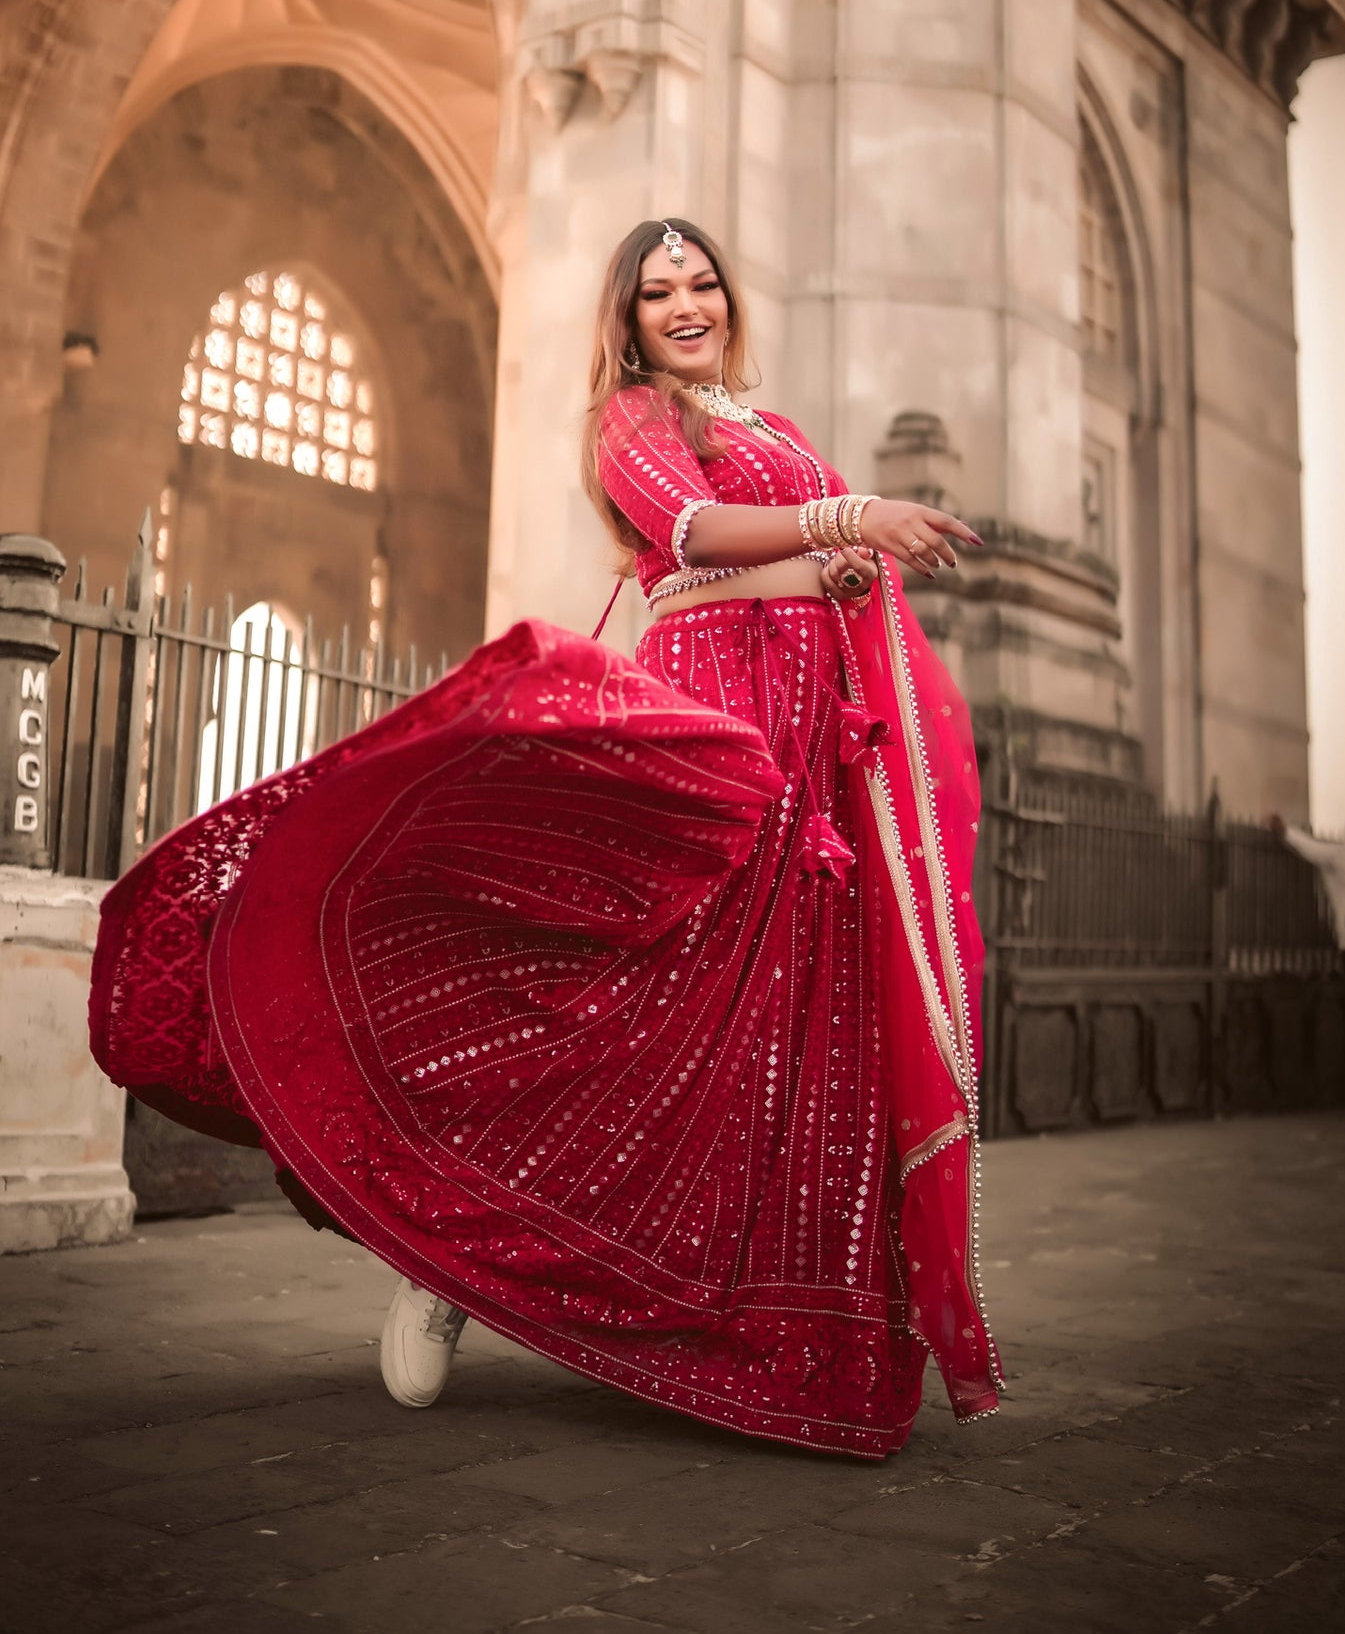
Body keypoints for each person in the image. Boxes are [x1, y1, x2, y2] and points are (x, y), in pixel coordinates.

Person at [91, 217, 1001, 1459]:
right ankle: (449, 1256)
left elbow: (793, 562)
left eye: (701, 283)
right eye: (657, 293)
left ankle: (769, 1328)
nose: (685, 305)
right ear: (626, 323)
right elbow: (684, 544)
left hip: (808, 744)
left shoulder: (776, 434)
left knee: (776, 1039)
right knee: (628, 1008)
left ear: (729, 298)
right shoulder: (631, 424)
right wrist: (851, 517)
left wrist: (843, 566)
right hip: (714, 725)